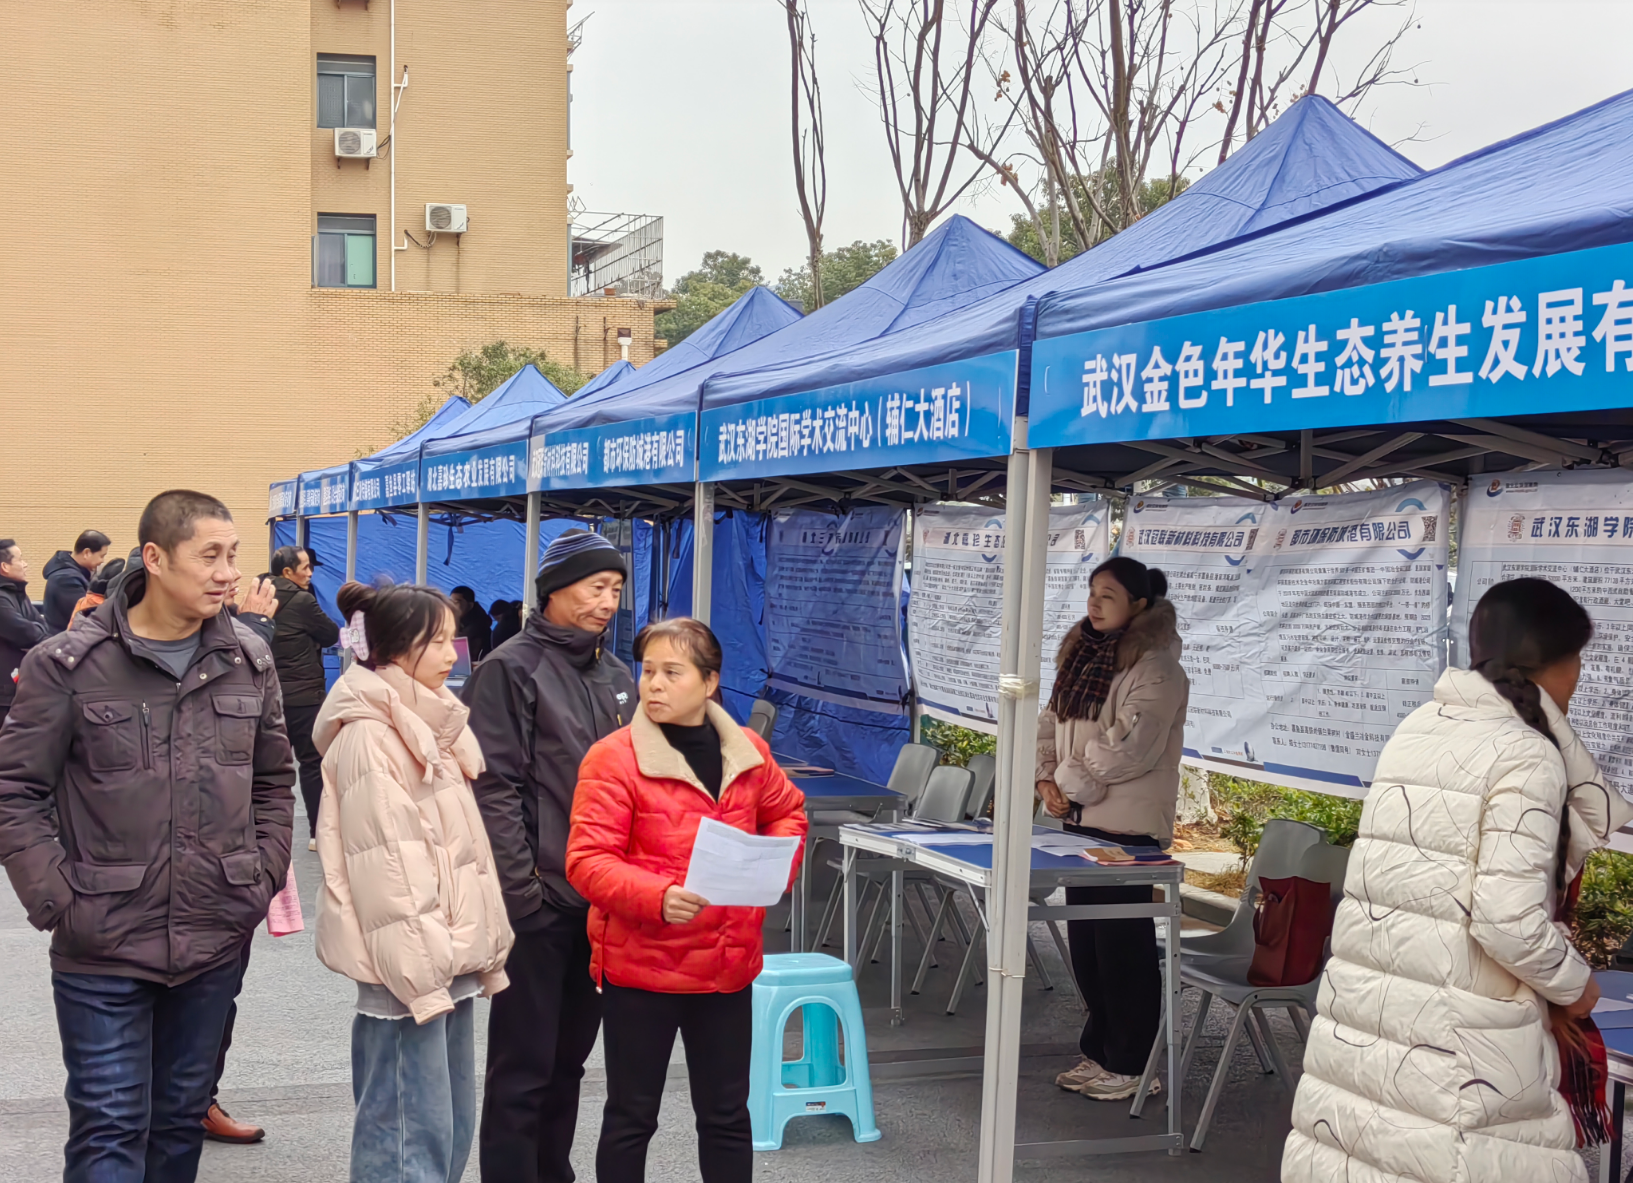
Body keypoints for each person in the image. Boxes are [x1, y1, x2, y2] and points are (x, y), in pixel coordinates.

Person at [1283, 577, 1633, 1183]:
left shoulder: (1423, 725)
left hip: (1379, 1014)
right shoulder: (1528, 753)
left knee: (1369, 1154)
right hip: (1464, 1041)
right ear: (1558, 663)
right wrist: (1576, 986)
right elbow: (1508, 920)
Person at [0, 490, 295, 1183]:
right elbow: (16, 791)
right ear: (156, 558)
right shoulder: (66, 664)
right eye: (210, 555)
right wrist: (59, 899)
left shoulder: (248, 658)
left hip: (213, 937)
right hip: (101, 945)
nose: (228, 573)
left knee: (178, 1124)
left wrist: (257, 878)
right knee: (108, 1126)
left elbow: (273, 782)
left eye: (234, 555)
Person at [568, 617, 807, 1183]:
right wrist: (658, 896)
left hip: (727, 965)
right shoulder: (613, 757)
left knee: (726, 1116)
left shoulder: (748, 750)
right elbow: (586, 860)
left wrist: (772, 869)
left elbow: (788, 812)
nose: (653, 684)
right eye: (648, 671)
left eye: (672, 673)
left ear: (710, 681)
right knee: (631, 1117)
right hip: (642, 968)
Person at [314, 580, 514, 1183]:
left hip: (441, 954)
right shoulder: (371, 734)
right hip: (412, 966)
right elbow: (388, 872)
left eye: (454, 639)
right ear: (397, 649)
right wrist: (422, 974)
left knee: (441, 1127)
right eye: (438, 641)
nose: (454, 653)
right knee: (406, 1134)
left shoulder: (424, 717)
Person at [463, 528, 635, 1183]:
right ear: (554, 589)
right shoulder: (510, 667)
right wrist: (523, 895)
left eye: (615, 589)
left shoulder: (617, 674)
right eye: (595, 587)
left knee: (569, 1063)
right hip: (538, 902)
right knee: (522, 1067)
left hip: (602, 903)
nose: (607, 602)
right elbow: (493, 786)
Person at [1035, 556, 1187, 1103]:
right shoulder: (1083, 656)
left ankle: (1133, 1064)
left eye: (1109, 595)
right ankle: (1100, 1051)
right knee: (1089, 948)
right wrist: (1045, 778)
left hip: (1127, 831)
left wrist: (1066, 784)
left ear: (1138, 605)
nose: (1095, 604)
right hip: (1080, 824)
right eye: (1093, 592)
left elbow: (1128, 747)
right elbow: (1049, 722)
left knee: (1124, 949)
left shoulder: (1157, 669)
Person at [269, 544, 341, 851]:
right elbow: (330, 633)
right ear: (288, 572)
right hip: (303, 696)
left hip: (267, 695)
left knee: (267, 767)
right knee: (312, 763)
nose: (310, 573)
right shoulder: (302, 600)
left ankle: (264, 835)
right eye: (306, 568)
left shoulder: (258, 595)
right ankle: (317, 833)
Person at [0, 540, 49, 728]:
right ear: (4, 567)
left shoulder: (17, 594)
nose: (25, 564)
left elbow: (42, 628)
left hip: (17, 687)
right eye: (20, 559)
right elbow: (28, 635)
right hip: (5, 693)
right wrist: (37, 632)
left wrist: (38, 631)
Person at [43, 530, 112, 633]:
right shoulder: (66, 579)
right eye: (101, 556)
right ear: (87, 553)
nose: (102, 561)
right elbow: (84, 614)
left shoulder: (75, 573)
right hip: (66, 639)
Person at [450, 585, 492, 662]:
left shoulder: (478, 624)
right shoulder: (461, 620)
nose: (452, 606)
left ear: (470, 605)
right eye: (451, 602)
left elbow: (457, 646)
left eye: (456, 602)